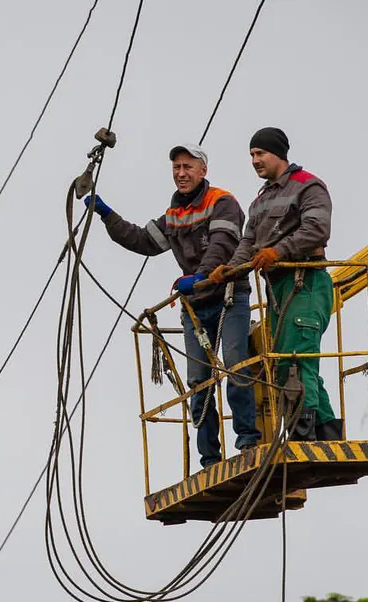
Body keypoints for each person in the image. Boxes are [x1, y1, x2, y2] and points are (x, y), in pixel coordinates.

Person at [84, 143, 261, 468]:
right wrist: (106, 214)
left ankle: (248, 443)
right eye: (177, 168)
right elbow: (142, 240)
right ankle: (210, 459)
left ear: (202, 171)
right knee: (199, 381)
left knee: (235, 365)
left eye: (187, 167)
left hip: (228, 298)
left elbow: (222, 246)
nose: (181, 173)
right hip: (195, 308)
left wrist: (200, 277)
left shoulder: (222, 202)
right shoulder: (174, 215)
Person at [210, 127, 342, 442]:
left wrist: (278, 251)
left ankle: (302, 436)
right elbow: (249, 241)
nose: (255, 160)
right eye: (252, 155)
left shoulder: (308, 186)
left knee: (296, 360)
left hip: (305, 281)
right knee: (289, 359)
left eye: (260, 154)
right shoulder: (260, 200)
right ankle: (328, 434)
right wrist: (230, 270)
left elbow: (317, 229)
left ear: (279, 153)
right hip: (277, 288)